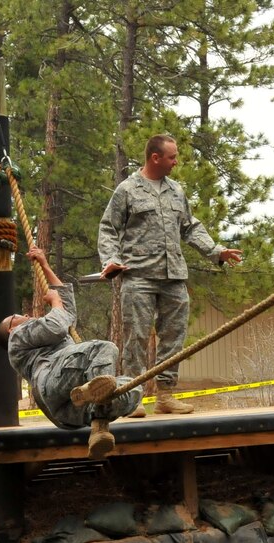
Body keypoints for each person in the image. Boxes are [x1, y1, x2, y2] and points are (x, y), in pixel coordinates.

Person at [98, 133, 243, 417]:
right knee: (136, 337)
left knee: (174, 337)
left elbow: (190, 227)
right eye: (172, 157)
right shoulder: (127, 190)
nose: (176, 162)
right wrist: (111, 260)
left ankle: (165, 396)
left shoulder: (176, 190)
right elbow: (108, 228)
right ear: (155, 157)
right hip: (138, 275)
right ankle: (133, 397)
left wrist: (216, 251)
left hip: (173, 276)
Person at [0, 247, 143, 460]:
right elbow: (57, 325)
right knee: (104, 348)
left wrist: (45, 266)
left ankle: (99, 424)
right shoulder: (16, 338)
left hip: (69, 412)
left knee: (135, 387)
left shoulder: (41, 331)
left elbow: (67, 315)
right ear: (10, 328)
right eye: (17, 316)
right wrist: (54, 303)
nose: (25, 315)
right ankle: (96, 395)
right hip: (53, 379)